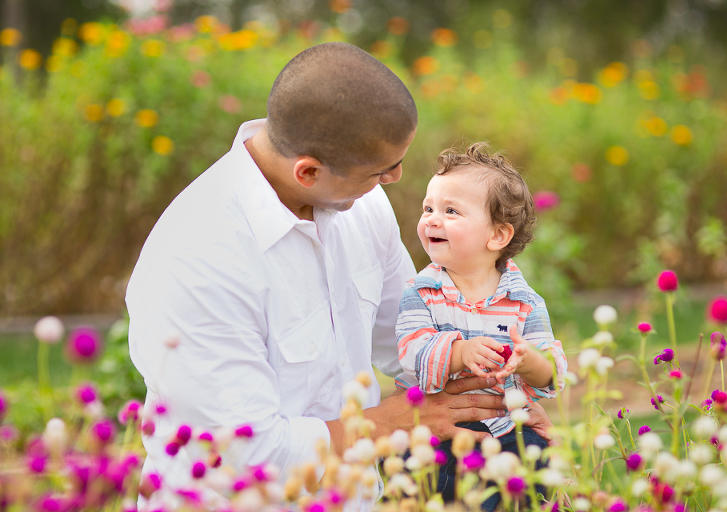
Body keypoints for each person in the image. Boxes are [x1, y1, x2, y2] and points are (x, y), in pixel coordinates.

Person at [126, 42, 553, 508]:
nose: (395, 177)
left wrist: (504, 409)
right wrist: (391, 423)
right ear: (308, 171)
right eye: (381, 170)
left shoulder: (359, 203)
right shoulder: (198, 257)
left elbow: (411, 339)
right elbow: (242, 452)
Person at [396, 142, 567, 506]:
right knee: (420, 473)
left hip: (505, 428)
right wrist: (459, 352)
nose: (432, 219)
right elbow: (412, 354)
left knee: (537, 464)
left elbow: (552, 374)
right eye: (428, 208)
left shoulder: (524, 302)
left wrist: (529, 361)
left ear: (497, 235)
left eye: (451, 211)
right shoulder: (421, 292)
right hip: (439, 429)